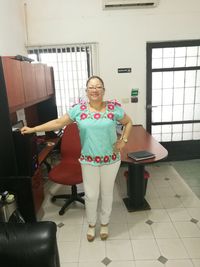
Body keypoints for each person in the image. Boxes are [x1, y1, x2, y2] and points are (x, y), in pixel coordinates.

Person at [21, 75, 132, 242]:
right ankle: (91, 224)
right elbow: (58, 123)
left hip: (111, 159)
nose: (95, 90)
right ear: (86, 91)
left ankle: (104, 223)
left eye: (98, 86)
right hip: (89, 161)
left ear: (103, 90)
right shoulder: (78, 110)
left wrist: (123, 140)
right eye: (91, 87)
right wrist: (33, 129)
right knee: (91, 195)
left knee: (107, 193)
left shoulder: (113, 108)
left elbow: (128, 122)